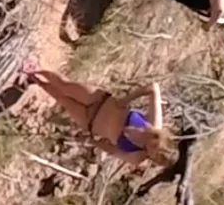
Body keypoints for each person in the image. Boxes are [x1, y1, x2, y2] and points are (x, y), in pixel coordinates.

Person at [25, 68, 175, 168]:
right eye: (155, 147)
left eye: (153, 156)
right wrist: (126, 100)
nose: (150, 150)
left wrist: (92, 141)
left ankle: (35, 80)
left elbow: (113, 150)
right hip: (100, 100)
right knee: (65, 86)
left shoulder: (137, 157)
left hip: (89, 121)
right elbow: (153, 88)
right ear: (160, 139)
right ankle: (36, 68)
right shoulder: (154, 123)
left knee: (61, 98)